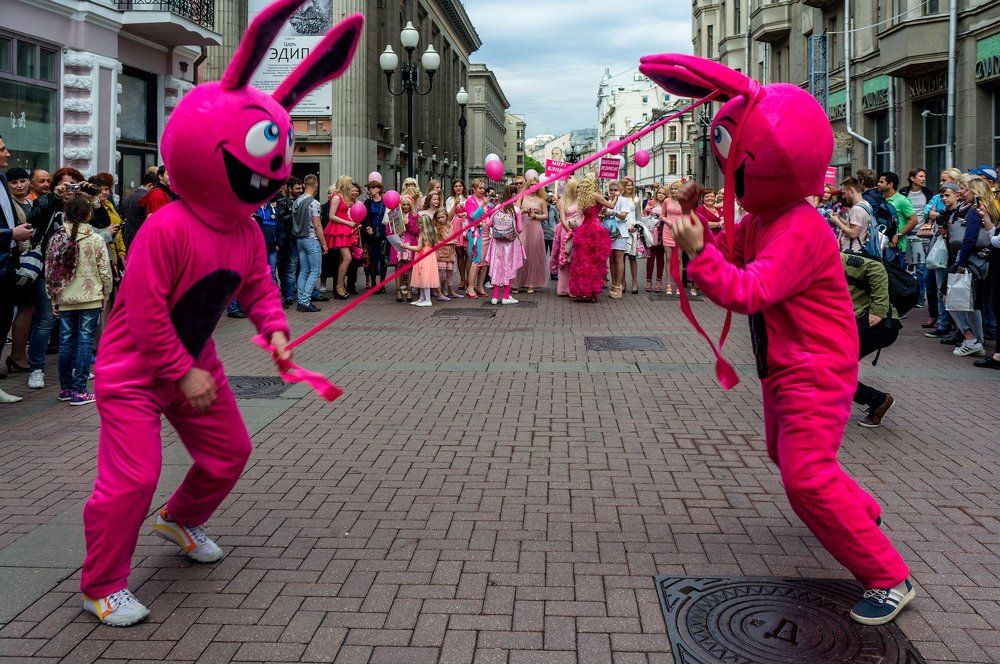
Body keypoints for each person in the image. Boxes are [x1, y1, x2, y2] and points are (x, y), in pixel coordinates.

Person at [646, 52, 912, 625]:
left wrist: (695, 248)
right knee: (790, 459)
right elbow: (729, 253)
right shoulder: (768, 219)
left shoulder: (799, 228)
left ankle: (889, 576)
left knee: (805, 475)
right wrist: (699, 230)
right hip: (786, 363)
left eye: (736, 169)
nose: (732, 182)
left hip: (817, 366)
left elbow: (746, 290)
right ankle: (861, 513)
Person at [45, 192, 112, 405]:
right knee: (84, 342)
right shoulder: (95, 239)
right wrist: (105, 294)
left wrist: (53, 297)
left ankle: (65, 389)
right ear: (89, 215)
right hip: (90, 295)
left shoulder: (56, 238)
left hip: (65, 297)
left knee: (65, 342)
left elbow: (49, 270)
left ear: (65, 215)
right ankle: (80, 390)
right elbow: (105, 271)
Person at [25, 167, 87, 390]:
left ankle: (73, 366)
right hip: (47, 268)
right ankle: (37, 369)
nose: (69, 189)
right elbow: (32, 219)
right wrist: (53, 196)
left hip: (76, 270)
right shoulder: (47, 201)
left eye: (73, 184)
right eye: (64, 184)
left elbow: (100, 223)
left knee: (73, 320)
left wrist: (90, 195)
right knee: (45, 319)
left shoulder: (82, 205)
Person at [841, 252, 899, 427]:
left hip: (879, 325)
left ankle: (879, 400)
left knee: (831, 371)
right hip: (858, 323)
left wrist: (878, 310)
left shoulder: (834, 259)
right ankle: (878, 401)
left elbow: (875, 267)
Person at [0, 137, 37, 403]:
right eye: (2, 150)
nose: (8, 153)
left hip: (9, 264)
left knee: (3, 324)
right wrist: (9, 234)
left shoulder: (2, 181)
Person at [946, 175, 994, 357]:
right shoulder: (990, 208)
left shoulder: (974, 211)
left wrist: (961, 262)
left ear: (975, 191)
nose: (962, 193)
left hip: (971, 260)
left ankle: (971, 338)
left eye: (966, 189)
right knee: (975, 302)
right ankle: (976, 340)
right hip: (983, 260)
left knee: (954, 299)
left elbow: (969, 238)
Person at [569, 176, 614, 302]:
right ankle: (592, 292)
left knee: (583, 262)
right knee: (594, 262)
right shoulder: (595, 195)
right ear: (593, 183)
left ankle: (584, 290)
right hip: (594, 230)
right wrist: (616, 196)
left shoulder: (582, 197)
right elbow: (611, 205)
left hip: (583, 229)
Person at [483, 183, 525, 305]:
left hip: (497, 243)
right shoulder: (516, 210)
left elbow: (489, 224)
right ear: (513, 195)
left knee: (497, 267)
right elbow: (520, 229)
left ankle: (495, 297)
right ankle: (506, 296)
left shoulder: (497, 208)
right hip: (510, 244)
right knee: (509, 268)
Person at [293, 174, 327, 312]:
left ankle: (301, 299)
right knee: (315, 271)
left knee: (303, 271)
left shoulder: (297, 201)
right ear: (316, 185)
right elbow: (317, 225)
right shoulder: (314, 203)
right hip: (311, 239)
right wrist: (324, 243)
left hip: (299, 239)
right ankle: (305, 301)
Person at [513, 173, 548, 293]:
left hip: (536, 228)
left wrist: (536, 216)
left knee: (533, 254)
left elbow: (546, 215)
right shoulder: (522, 196)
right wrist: (523, 211)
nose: (533, 186)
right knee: (521, 253)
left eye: (536, 185)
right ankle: (517, 283)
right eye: (531, 184)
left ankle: (531, 283)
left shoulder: (542, 200)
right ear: (528, 185)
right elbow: (515, 211)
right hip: (523, 227)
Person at [324, 176, 357, 300]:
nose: (351, 187)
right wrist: (348, 223)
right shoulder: (337, 197)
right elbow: (331, 216)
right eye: (349, 184)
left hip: (344, 228)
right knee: (347, 258)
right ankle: (339, 286)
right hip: (339, 228)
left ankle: (340, 286)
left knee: (344, 258)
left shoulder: (343, 197)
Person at [878, 171, 917, 267]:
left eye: (881, 182)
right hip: (881, 245)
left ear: (890, 184)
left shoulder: (902, 200)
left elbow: (914, 220)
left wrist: (898, 235)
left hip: (896, 247)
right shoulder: (880, 199)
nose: (878, 184)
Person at [402, 206, 439, 307]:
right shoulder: (431, 233)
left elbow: (418, 248)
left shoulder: (423, 235)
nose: (418, 225)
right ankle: (422, 298)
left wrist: (406, 246)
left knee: (424, 278)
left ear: (424, 225)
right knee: (423, 277)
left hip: (423, 257)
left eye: (419, 224)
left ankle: (427, 299)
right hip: (428, 257)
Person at [550, 178, 580, 297]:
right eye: (577, 187)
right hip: (567, 230)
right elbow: (562, 219)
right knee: (565, 257)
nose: (579, 190)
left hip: (580, 230)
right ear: (572, 188)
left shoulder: (582, 200)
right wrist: (570, 231)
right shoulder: (563, 201)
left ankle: (575, 286)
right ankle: (564, 287)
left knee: (577, 259)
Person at [608, 178, 636, 298]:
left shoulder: (623, 200)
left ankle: (619, 286)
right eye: (611, 190)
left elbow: (624, 216)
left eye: (615, 190)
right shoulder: (608, 200)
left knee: (619, 258)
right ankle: (614, 283)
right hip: (609, 233)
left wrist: (613, 213)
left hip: (621, 232)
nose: (613, 192)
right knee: (611, 259)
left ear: (620, 190)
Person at [275, 178, 299, 306]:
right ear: (289, 189)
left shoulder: (300, 202)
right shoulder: (280, 202)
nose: (300, 191)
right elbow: (281, 221)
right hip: (282, 240)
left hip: (293, 241)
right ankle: (284, 293)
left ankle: (289, 296)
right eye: (298, 188)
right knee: (281, 269)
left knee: (290, 269)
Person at [464, 179, 490, 299]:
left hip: (486, 233)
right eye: (480, 188)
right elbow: (473, 217)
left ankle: (480, 286)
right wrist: (483, 206)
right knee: (476, 261)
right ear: (474, 189)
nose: (482, 190)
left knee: (484, 263)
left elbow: (488, 217)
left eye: (484, 188)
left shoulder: (486, 201)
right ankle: (470, 287)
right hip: (476, 234)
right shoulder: (470, 200)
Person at [832, 177, 871, 253]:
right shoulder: (866, 204)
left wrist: (837, 222)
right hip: (859, 250)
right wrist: (839, 218)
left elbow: (853, 233)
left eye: (844, 193)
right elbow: (854, 224)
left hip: (853, 253)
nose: (843, 196)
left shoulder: (856, 209)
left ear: (851, 191)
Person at [362, 180, 388, 293]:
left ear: (378, 189)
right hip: (371, 235)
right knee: (373, 259)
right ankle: (373, 283)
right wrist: (367, 226)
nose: (370, 190)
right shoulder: (367, 202)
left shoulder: (386, 202)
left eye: (372, 188)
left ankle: (382, 284)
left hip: (384, 234)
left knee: (383, 260)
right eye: (369, 188)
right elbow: (365, 216)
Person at [120, 172, 157, 249]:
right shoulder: (147, 198)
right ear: (150, 185)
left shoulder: (127, 197)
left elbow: (122, 217)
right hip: (141, 239)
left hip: (126, 239)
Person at [659, 182, 683, 295]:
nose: (673, 191)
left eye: (676, 189)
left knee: (678, 259)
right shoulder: (666, 201)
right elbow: (662, 216)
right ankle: (668, 284)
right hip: (668, 230)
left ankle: (679, 285)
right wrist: (668, 222)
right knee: (668, 258)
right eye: (672, 189)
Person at [446, 180, 469, 291]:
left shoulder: (469, 199)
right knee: (459, 253)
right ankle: (462, 279)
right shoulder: (450, 200)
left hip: (467, 226)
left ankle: (470, 278)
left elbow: (473, 213)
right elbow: (448, 217)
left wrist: (466, 213)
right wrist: (454, 204)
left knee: (469, 253)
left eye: (460, 186)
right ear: (453, 188)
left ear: (463, 187)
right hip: (456, 226)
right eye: (456, 186)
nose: (458, 188)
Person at [642, 186, 667, 291]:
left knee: (661, 257)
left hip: (663, 232)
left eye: (663, 193)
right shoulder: (651, 203)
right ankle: (648, 281)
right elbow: (644, 215)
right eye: (659, 193)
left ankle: (659, 281)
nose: (660, 195)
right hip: (652, 233)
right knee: (650, 257)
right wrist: (647, 210)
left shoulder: (667, 204)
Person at [433, 207, 460, 299]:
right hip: (440, 255)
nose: (440, 219)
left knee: (450, 273)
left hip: (450, 254)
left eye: (442, 217)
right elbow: (435, 242)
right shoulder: (435, 228)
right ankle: (439, 293)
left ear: (446, 217)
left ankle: (451, 291)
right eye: (438, 218)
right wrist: (449, 242)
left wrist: (454, 241)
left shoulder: (449, 226)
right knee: (441, 275)